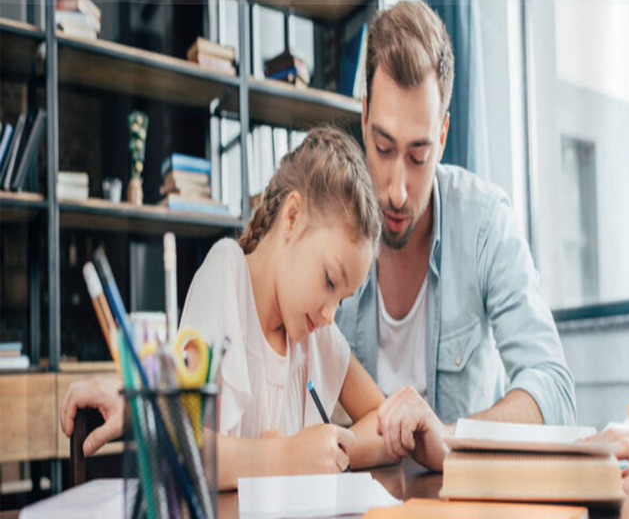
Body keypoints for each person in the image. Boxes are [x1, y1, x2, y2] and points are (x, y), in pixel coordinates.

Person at [61, 126, 394, 489]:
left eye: (342, 298)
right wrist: (289, 457)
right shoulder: (226, 274)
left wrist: (332, 451)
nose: (331, 314)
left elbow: (384, 421)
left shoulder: (317, 331)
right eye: (330, 281)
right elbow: (179, 446)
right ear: (293, 216)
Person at [337, 1, 576, 471]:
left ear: (443, 135)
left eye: (418, 155)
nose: (397, 191)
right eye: (383, 148)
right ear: (363, 118)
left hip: (458, 512)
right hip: (354, 518)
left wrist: (449, 437)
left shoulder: (486, 224)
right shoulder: (329, 233)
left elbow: (554, 389)